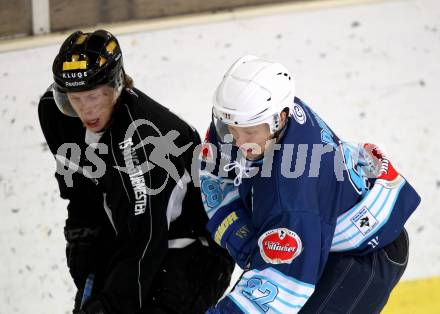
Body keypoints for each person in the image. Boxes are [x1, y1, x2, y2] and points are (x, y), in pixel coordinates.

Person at [199, 55, 421, 313]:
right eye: (231, 128)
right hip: (317, 231)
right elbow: (213, 169)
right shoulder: (251, 117)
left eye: (249, 132)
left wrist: (261, 249)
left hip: (363, 257)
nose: (238, 141)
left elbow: (276, 294)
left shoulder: (292, 193)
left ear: (280, 119)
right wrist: (244, 236)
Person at [38, 29, 233, 314]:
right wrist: (82, 234)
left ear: (116, 85)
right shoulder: (55, 114)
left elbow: (146, 242)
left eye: (95, 97)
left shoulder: (140, 139)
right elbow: (80, 188)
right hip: (129, 235)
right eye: (75, 99)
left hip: (195, 248)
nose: (86, 111)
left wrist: (112, 304)